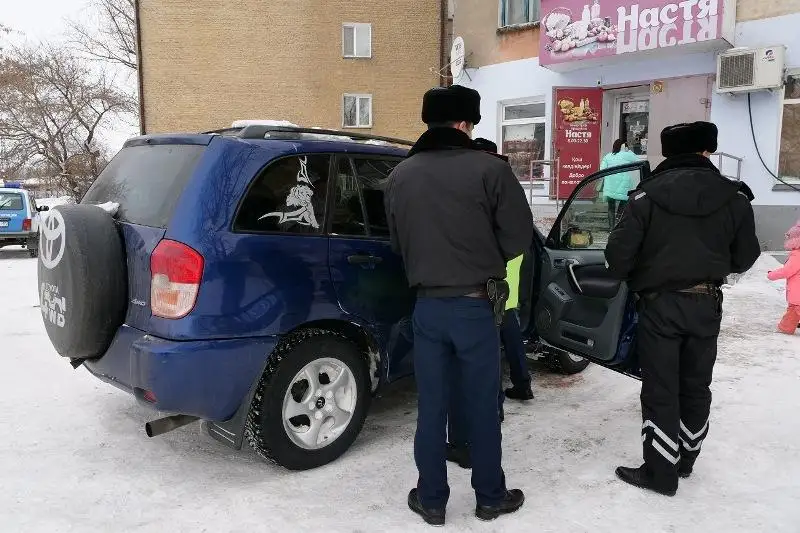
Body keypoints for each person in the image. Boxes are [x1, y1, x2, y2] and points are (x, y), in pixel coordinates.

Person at [385, 86, 533, 525]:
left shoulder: (398, 177)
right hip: (475, 306)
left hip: (427, 307)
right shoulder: (490, 170)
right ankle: (490, 496)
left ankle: (431, 499)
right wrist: (483, 259)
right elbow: (518, 237)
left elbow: (397, 244)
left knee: (431, 405)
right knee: (482, 403)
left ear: (429, 122)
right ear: (467, 124)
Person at [605, 121, 761, 497]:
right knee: (696, 383)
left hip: (659, 305)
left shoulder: (645, 197)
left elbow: (617, 256)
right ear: (708, 150)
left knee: (661, 387)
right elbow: (746, 257)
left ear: (668, 153)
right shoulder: (735, 197)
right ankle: (687, 459)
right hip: (707, 303)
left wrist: (638, 275)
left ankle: (660, 472)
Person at [767, 220, 800, 335]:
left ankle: (784, 330)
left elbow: (787, 271)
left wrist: (771, 275)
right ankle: (785, 328)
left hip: (798, 295)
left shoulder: (797, 255)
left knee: (793, 313)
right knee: (793, 313)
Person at [598, 139, 640, 230]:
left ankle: (611, 228)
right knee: (623, 205)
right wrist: (628, 151)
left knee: (611, 207)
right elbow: (638, 161)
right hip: (623, 185)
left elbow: (602, 169)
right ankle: (618, 225)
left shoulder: (608, 156)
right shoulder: (627, 155)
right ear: (623, 146)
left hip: (610, 185)